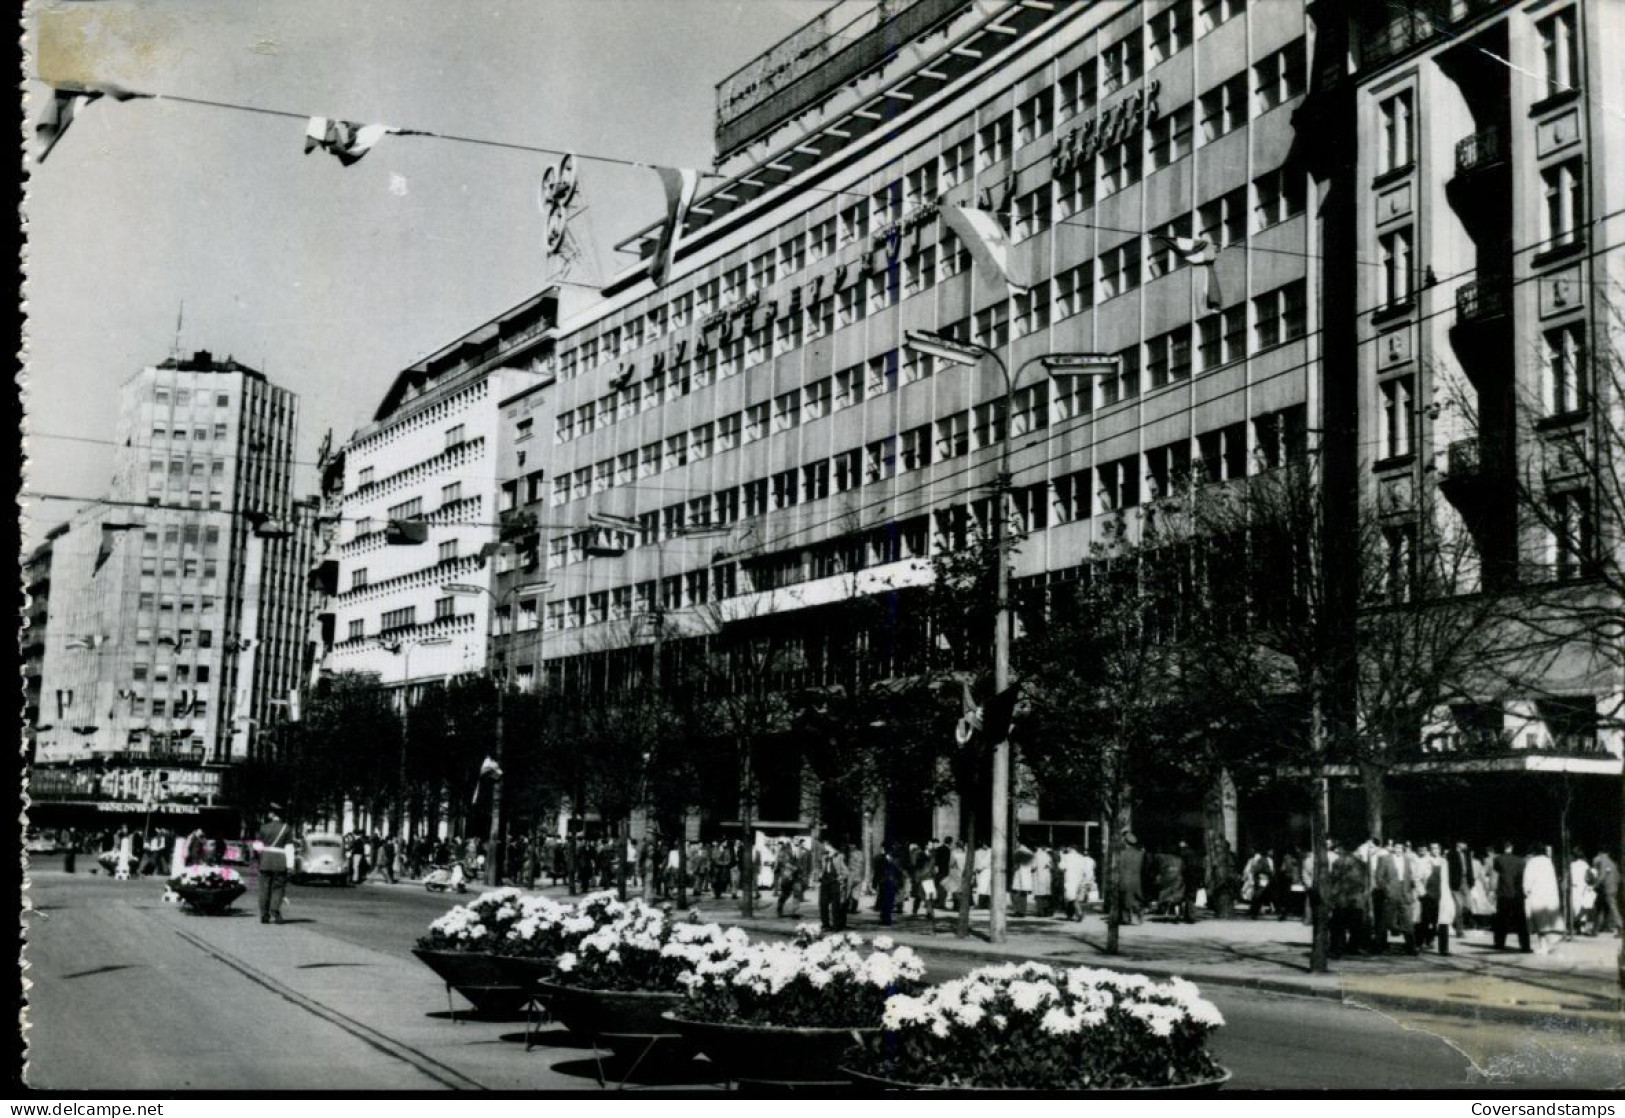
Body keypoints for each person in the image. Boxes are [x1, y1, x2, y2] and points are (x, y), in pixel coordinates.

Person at [257, 805, 295, 925]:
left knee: (264, 889)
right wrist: (290, 865)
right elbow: (289, 848)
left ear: (273, 814)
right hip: (280, 861)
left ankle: (264, 914)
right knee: (278, 888)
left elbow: (258, 847)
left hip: (266, 860)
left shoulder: (263, 828)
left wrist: (260, 860)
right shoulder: (286, 828)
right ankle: (275, 911)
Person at [1523, 843, 1563, 955]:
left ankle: (1543, 946)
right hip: (1549, 894)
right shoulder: (1548, 861)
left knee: (1539, 922)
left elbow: (1528, 879)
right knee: (1548, 921)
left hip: (1537, 895)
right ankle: (1548, 943)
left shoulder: (1532, 862)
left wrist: (1526, 890)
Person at [1492, 841, 1531, 952]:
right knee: (1521, 921)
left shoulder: (1498, 859)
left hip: (1503, 892)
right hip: (1517, 893)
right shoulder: (1521, 861)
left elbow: (1496, 874)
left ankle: (1499, 943)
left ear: (1503, 848)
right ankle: (1525, 945)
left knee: (1501, 919)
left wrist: (1493, 891)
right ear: (1512, 848)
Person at [818, 837, 850, 931]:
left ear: (829, 845)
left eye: (825, 845)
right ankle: (825, 925)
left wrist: (839, 879)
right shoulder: (824, 857)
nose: (824, 846)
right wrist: (820, 876)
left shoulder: (840, 856)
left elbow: (846, 872)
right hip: (824, 883)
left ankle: (836, 925)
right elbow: (823, 869)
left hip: (834, 883)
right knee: (823, 904)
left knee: (835, 906)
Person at [1591, 849, 1622, 936]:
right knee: (1606, 908)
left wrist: (1595, 885)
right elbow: (1618, 877)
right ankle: (1605, 926)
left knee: (1610, 908)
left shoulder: (1603, 860)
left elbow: (1602, 876)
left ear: (1599, 853)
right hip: (1612, 888)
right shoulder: (1611, 862)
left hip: (1606, 889)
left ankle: (1620, 927)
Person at [1447, 841, 1476, 935]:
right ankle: (1460, 930)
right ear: (1458, 844)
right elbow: (1449, 870)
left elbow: (1469, 867)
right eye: (1464, 843)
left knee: (1468, 905)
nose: (1466, 845)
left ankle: (1459, 923)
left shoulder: (1466, 854)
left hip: (1466, 882)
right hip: (1456, 883)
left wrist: (1471, 881)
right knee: (1458, 907)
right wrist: (1451, 883)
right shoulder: (1451, 854)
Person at [1116, 834, 1144, 927]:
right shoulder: (1140, 854)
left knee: (1124, 899)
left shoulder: (1121, 853)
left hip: (1124, 879)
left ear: (1125, 842)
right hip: (1136, 879)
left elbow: (1118, 867)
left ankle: (1125, 918)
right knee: (1135, 898)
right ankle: (1140, 916)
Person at [1568, 851, 1595, 936]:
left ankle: (1577, 928)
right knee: (1583, 907)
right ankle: (1583, 928)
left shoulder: (1571, 865)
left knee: (1576, 908)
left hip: (1574, 887)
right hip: (1584, 888)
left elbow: (1569, 877)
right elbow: (1589, 877)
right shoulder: (1586, 865)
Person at [1243, 849, 1274, 920]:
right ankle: (1255, 911)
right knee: (1260, 896)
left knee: (1258, 896)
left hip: (1259, 879)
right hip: (1263, 879)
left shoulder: (1254, 860)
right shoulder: (1266, 860)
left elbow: (1250, 870)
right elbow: (1270, 870)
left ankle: (1254, 911)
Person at [1178, 841, 1204, 924]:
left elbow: (1183, 866)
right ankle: (1189, 915)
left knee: (1188, 896)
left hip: (1188, 876)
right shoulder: (1195, 854)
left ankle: (1190, 915)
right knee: (1191, 896)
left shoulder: (1183, 854)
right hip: (1194, 876)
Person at [1011, 841, 1034, 918]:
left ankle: (1018, 910)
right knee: (1023, 894)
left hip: (1020, 875)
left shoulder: (1019, 852)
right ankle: (1022, 911)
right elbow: (1033, 867)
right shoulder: (1031, 854)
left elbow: (1016, 864)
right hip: (1025, 876)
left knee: (1016, 893)